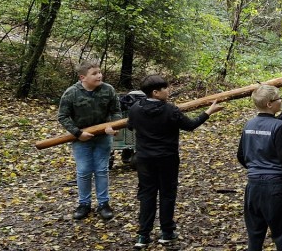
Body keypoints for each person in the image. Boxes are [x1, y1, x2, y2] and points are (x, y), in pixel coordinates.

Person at [128, 75, 225, 248]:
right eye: (165, 88)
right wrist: (208, 112)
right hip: (167, 159)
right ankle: (166, 232)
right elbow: (190, 125)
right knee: (167, 194)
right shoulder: (170, 110)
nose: (169, 90)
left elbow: (130, 125)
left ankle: (143, 236)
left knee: (147, 195)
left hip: (144, 159)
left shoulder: (135, 108)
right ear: (156, 92)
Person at [237, 85, 282, 251]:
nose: (281, 101)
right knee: (281, 236)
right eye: (279, 99)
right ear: (269, 104)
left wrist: (256, 169)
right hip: (276, 188)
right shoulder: (279, 126)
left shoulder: (249, 125)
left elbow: (241, 155)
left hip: (253, 186)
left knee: (254, 236)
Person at [57, 61, 121, 221]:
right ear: (82, 77)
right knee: (84, 171)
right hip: (81, 139)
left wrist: (112, 127)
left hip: (103, 138)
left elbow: (116, 111)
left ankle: (104, 204)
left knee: (102, 170)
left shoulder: (108, 90)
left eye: (99, 72)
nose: (99, 75)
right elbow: (63, 116)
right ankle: (84, 204)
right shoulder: (71, 93)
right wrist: (78, 133)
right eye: (94, 73)